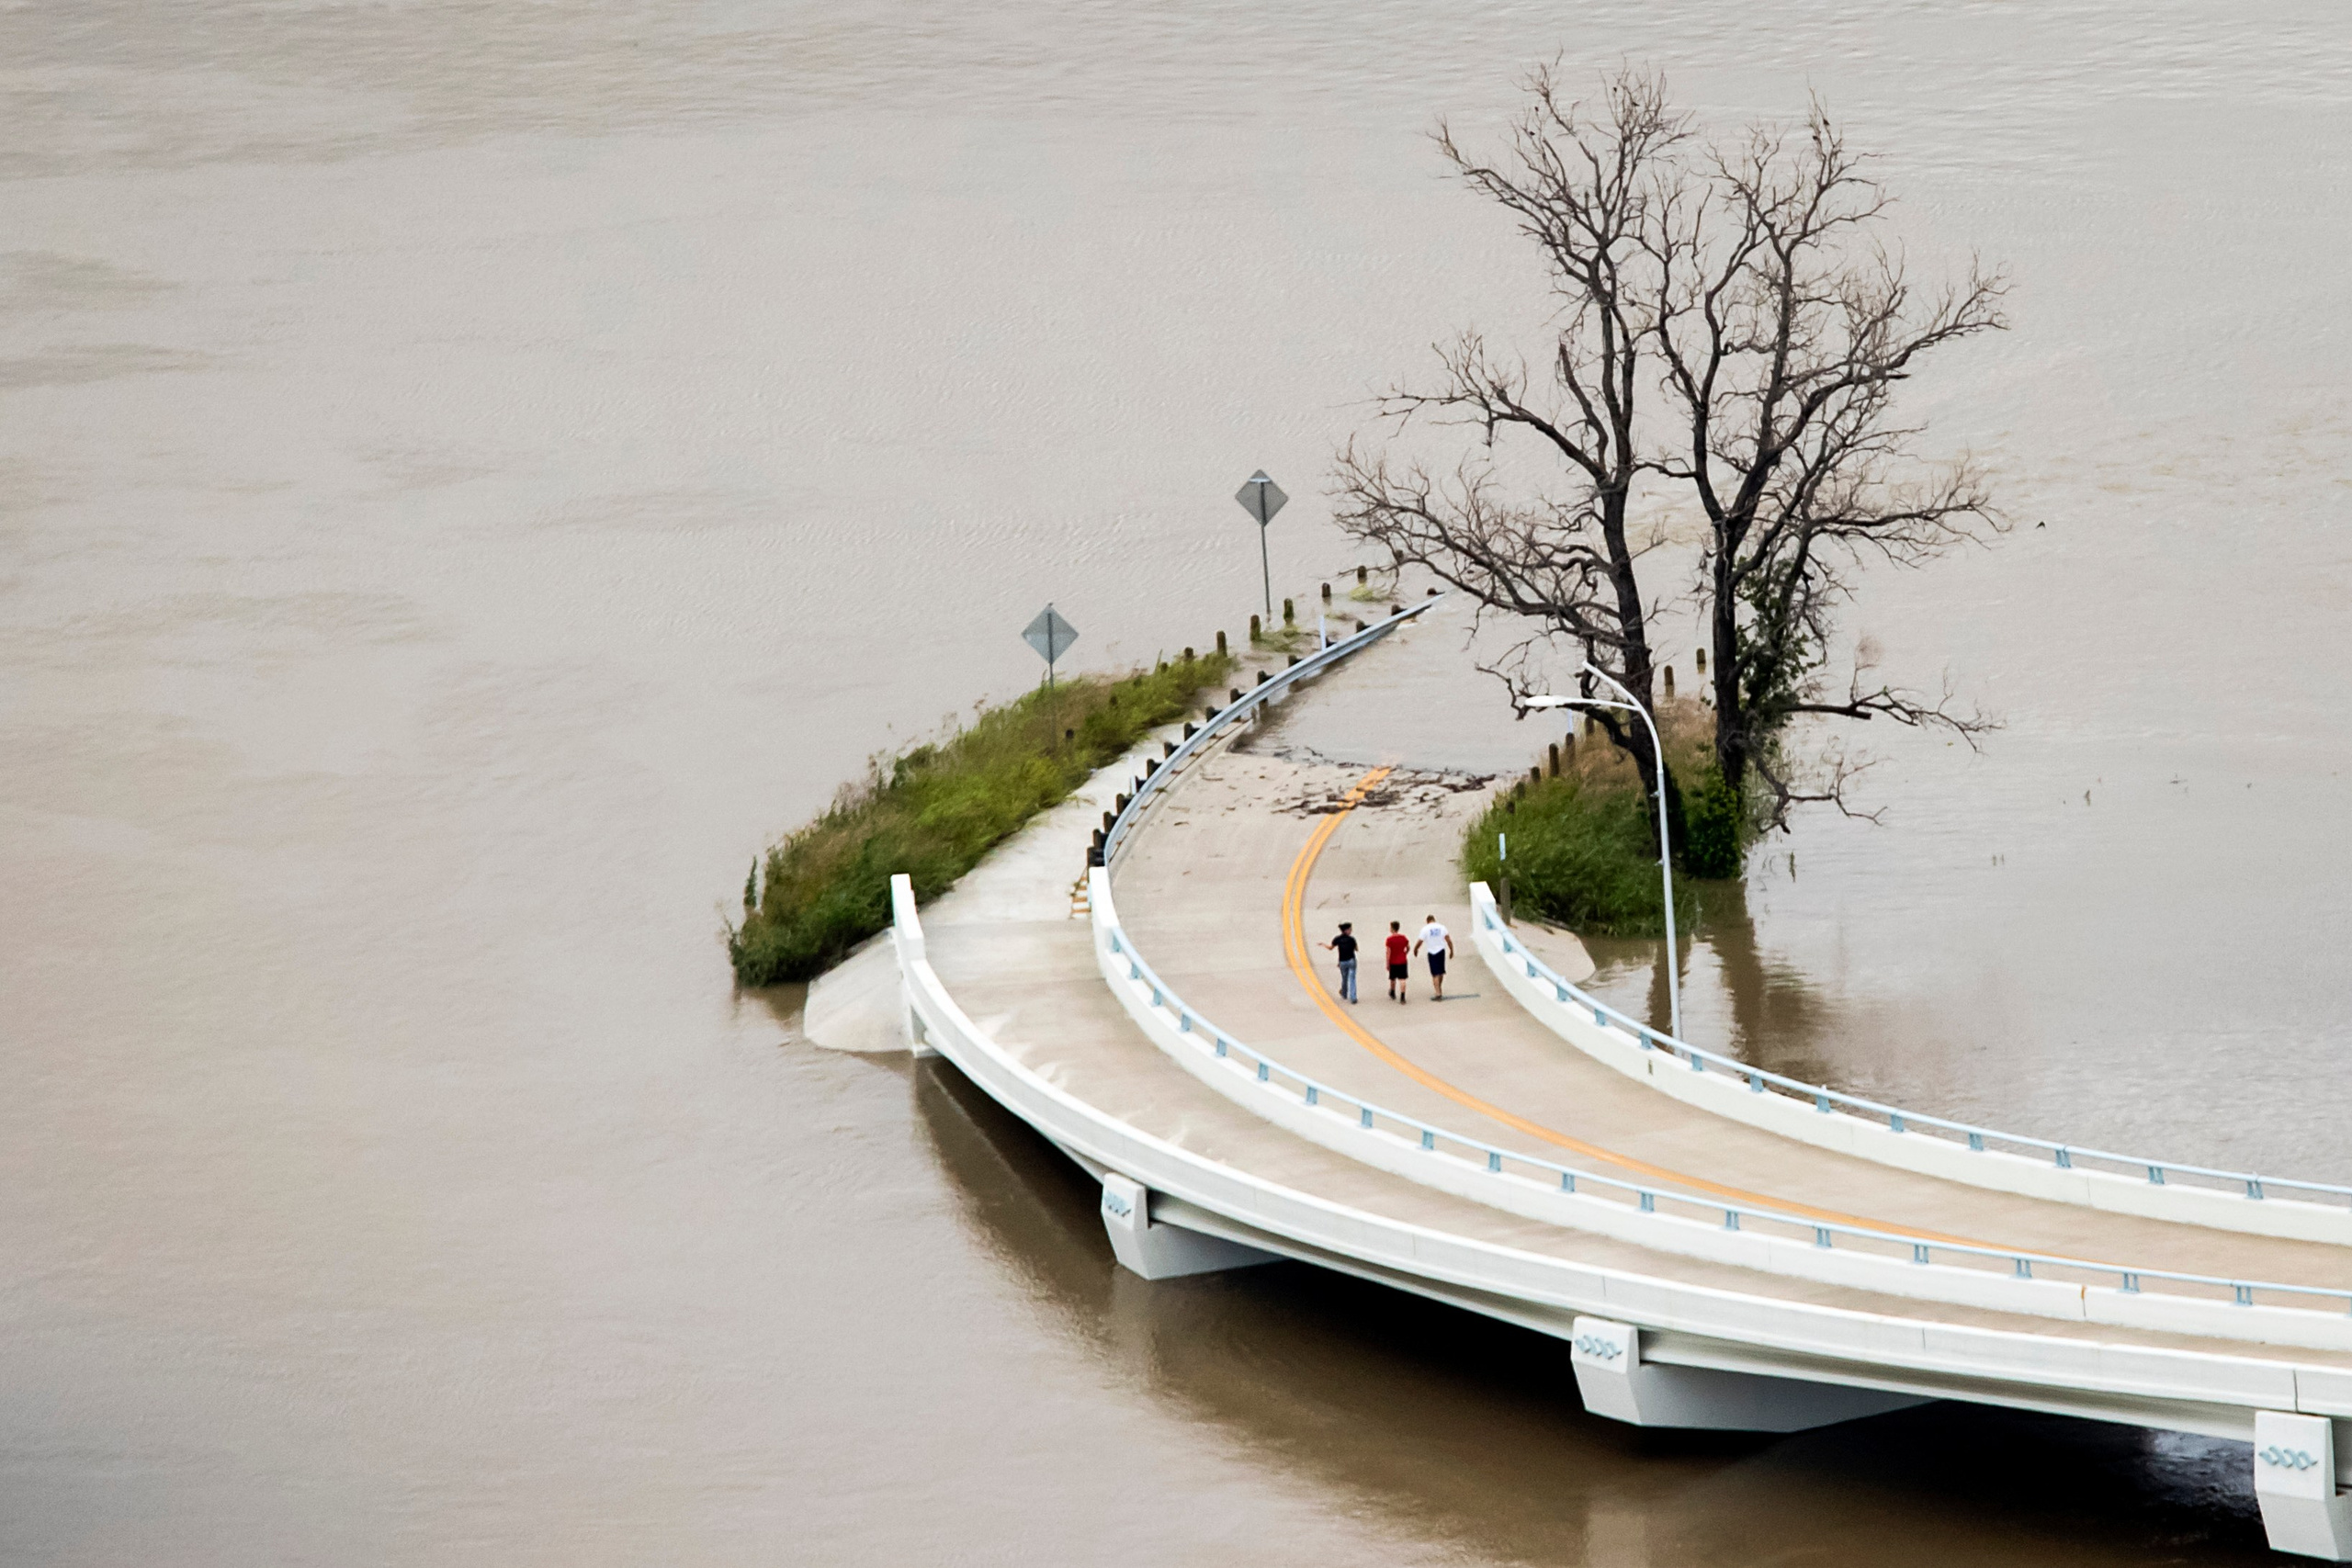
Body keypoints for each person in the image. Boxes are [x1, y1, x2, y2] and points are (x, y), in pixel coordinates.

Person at [1319, 921, 1360, 1004]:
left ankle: (1344, 994)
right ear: (1346, 930)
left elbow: (1330, 948)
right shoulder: (1352, 939)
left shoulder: (1337, 939)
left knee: (1344, 978)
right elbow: (1356, 949)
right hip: (1351, 960)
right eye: (1350, 929)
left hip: (1342, 962)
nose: (1351, 931)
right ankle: (1353, 997)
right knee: (1352, 978)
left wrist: (1323, 945)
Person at [1414, 913, 1452, 1000]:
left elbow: (1420, 941)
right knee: (1441, 971)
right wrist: (1451, 950)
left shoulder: (1425, 929)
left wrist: (1416, 949)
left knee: (1435, 974)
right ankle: (1439, 988)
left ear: (1427, 921)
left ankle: (1438, 993)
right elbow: (1448, 940)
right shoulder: (1442, 927)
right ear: (1434, 919)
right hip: (1441, 951)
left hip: (1432, 952)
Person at [1384, 920, 1411, 1004]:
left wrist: (1387, 963)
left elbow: (1388, 952)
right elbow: (1408, 947)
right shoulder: (1403, 938)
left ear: (1392, 929)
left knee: (1393, 978)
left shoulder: (1389, 939)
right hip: (1402, 961)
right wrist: (1405, 953)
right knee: (1402, 979)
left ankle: (1392, 992)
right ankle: (1402, 997)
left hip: (1393, 961)